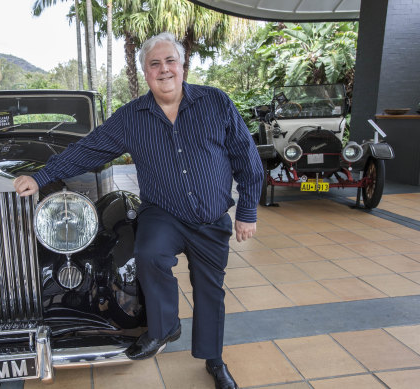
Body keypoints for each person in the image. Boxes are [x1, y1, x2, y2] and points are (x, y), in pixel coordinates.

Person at [14, 32, 263, 389]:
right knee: (148, 254)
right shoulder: (132, 117)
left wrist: (248, 211)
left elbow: (246, 157)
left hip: (210, 216)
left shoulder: (216, 103)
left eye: (170, 61)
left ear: (182, 66)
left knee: (211, 290)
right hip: (163, 212)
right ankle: (164, 327)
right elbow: (89, 149)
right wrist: (41, 177)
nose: (164, 70)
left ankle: (214, 360)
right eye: (154, 64)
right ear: (145, 72)